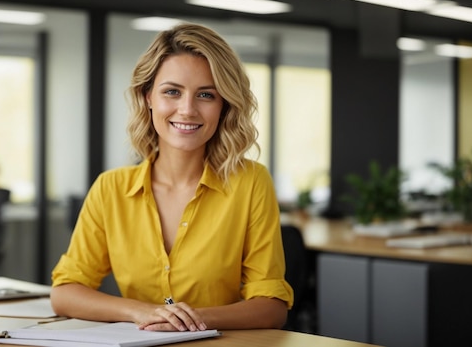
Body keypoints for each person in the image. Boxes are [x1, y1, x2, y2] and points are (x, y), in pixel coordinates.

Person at [51, 22, 293, 332]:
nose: (187, 109)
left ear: (224, 105)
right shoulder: (110, 189)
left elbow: (271, 307)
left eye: (206, 95)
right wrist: (142, 312)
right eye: (172, 92)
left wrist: (186, 321)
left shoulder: (250, 182)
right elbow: (65, 292)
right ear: (148, 96)